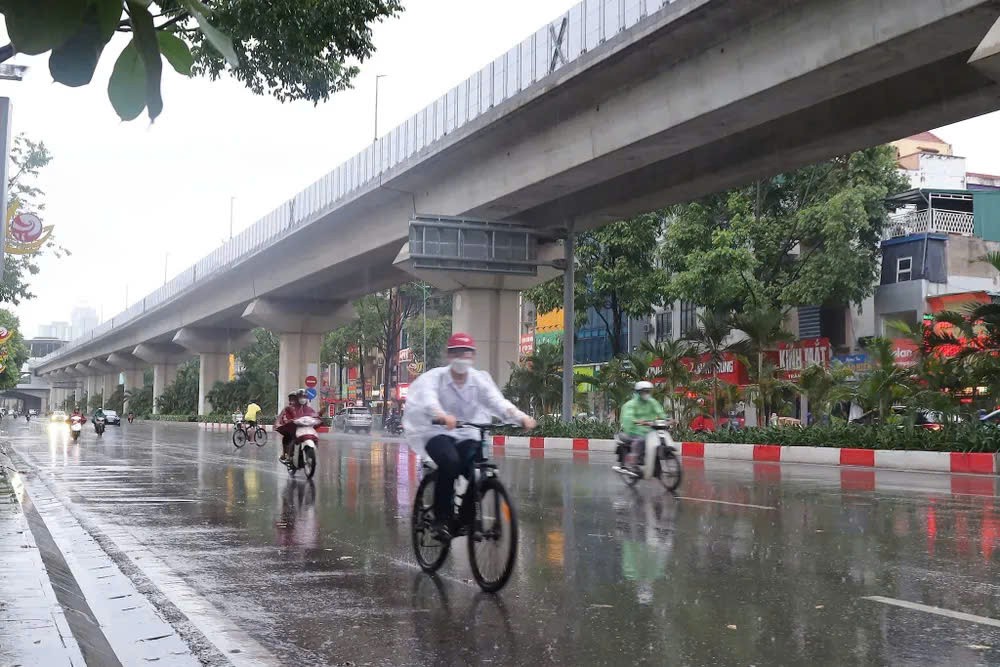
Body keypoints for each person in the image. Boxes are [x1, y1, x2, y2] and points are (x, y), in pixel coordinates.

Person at [404, 333, 536, 540]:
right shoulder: (436, 378)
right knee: (450, 462)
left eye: (466, 353)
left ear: (472, 356)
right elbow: (428, 399)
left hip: (469, 432)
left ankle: (467, 520)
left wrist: (521, 417)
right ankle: (441, 519)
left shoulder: (479, 380)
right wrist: (441, 415)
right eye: (456, 352)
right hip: (437, 432)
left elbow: (497, 402)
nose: (461, 357)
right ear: (449, 356)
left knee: (476, 470)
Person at [618, 381, 667, 466]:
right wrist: (637, 421)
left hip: (649, 430)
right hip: (633, 430)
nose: (646, 393)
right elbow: (628, 417)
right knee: (640, 440)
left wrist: (667, 419)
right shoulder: (631, 404)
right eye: (644, 391)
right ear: (638, 392)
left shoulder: (652, 402)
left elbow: (660, 412)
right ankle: (634, 460)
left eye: (648, 391)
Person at [275, 389, 319, 463]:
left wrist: (317, 418)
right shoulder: (288, 408)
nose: (293, 400)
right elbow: (284, 418)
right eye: (291, 399)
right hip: (292, 428)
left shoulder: (307, 408)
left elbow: (313, 415)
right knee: (289, 438)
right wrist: (289, 421)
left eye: (303, 397)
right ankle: (287, 455)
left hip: (304, 428)